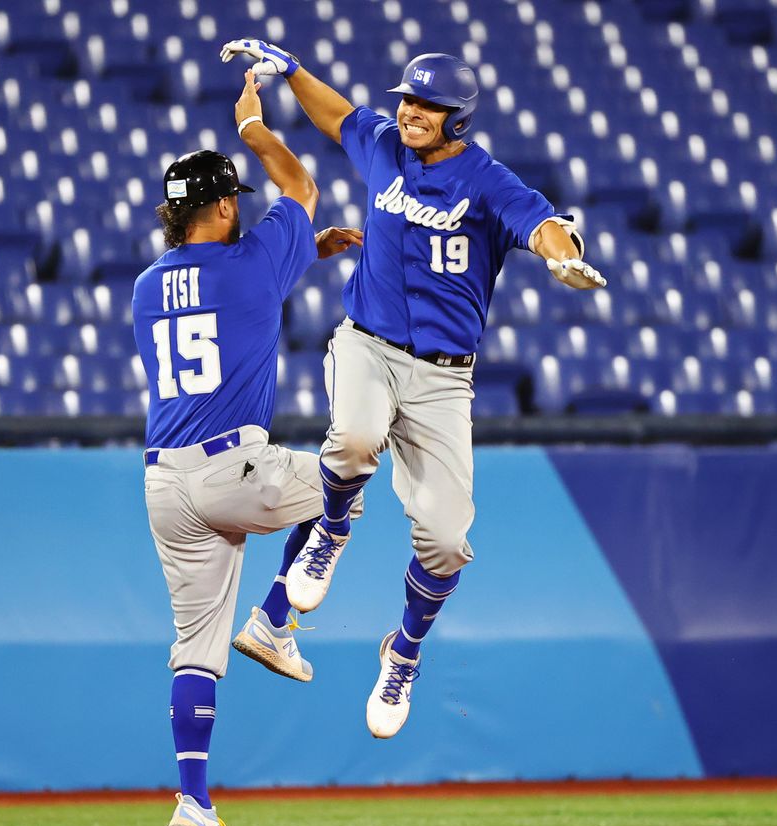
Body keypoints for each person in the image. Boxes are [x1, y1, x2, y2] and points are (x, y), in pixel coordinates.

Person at [220, 41, 607, 739]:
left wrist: (564, 259)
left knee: (447, 540)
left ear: (459, 119)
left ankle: (402, 653)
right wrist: (294, 71)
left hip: (441, 379)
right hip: (367, 344)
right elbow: (339, 116)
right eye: (407, 98)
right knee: (356, 438)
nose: (410, 112)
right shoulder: (384, 145)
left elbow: (543, 225)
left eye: (427, 105)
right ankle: (331, 530)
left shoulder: (489, 182)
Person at [132, 70, 364, 826]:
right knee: (349, 470)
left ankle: (194, 801)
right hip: (235, 463)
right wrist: (257, 124)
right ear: (225, 205)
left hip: (165, 481)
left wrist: (303, 250)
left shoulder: (144, 288)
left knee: (194, 649)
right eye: (234, 198)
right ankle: (272, 619)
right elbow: (300, 182)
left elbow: (222, 299)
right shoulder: (252, 258)